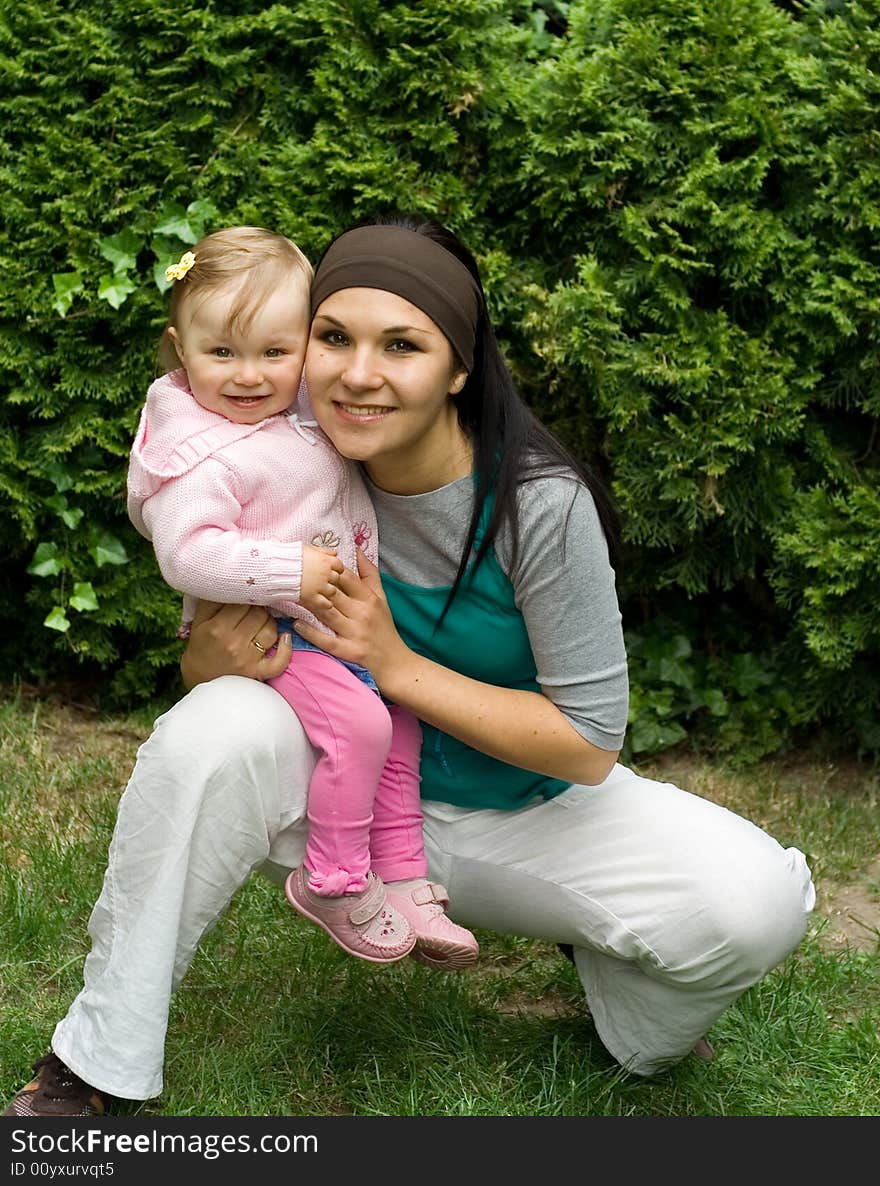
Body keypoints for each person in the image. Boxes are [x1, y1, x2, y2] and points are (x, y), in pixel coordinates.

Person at [5, 214, 815, 1118]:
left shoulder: (538, 505)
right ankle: (97, 1065)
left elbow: (590, 744)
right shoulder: (282, 447)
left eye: (402, 346)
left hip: (525, 813)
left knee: (755, 904)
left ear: (459, 368)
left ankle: (615, 995)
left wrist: (392, 664)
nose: (358, 374)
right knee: (207, 737)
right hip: (336, 794)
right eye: (333, 338)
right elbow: (217, 594)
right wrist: (207, 659)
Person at [125, 225, 477, 969]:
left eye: (274, 353)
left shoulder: (295, 416)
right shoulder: (202, 453)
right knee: (360, 727)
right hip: (276, 632)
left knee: (401, 723)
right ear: (178, 350)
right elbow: (186, 553)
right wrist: (291, 571)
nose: (249, 375)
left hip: (329, 627)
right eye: (222, 353)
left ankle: (406, 879)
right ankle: (337, 880)